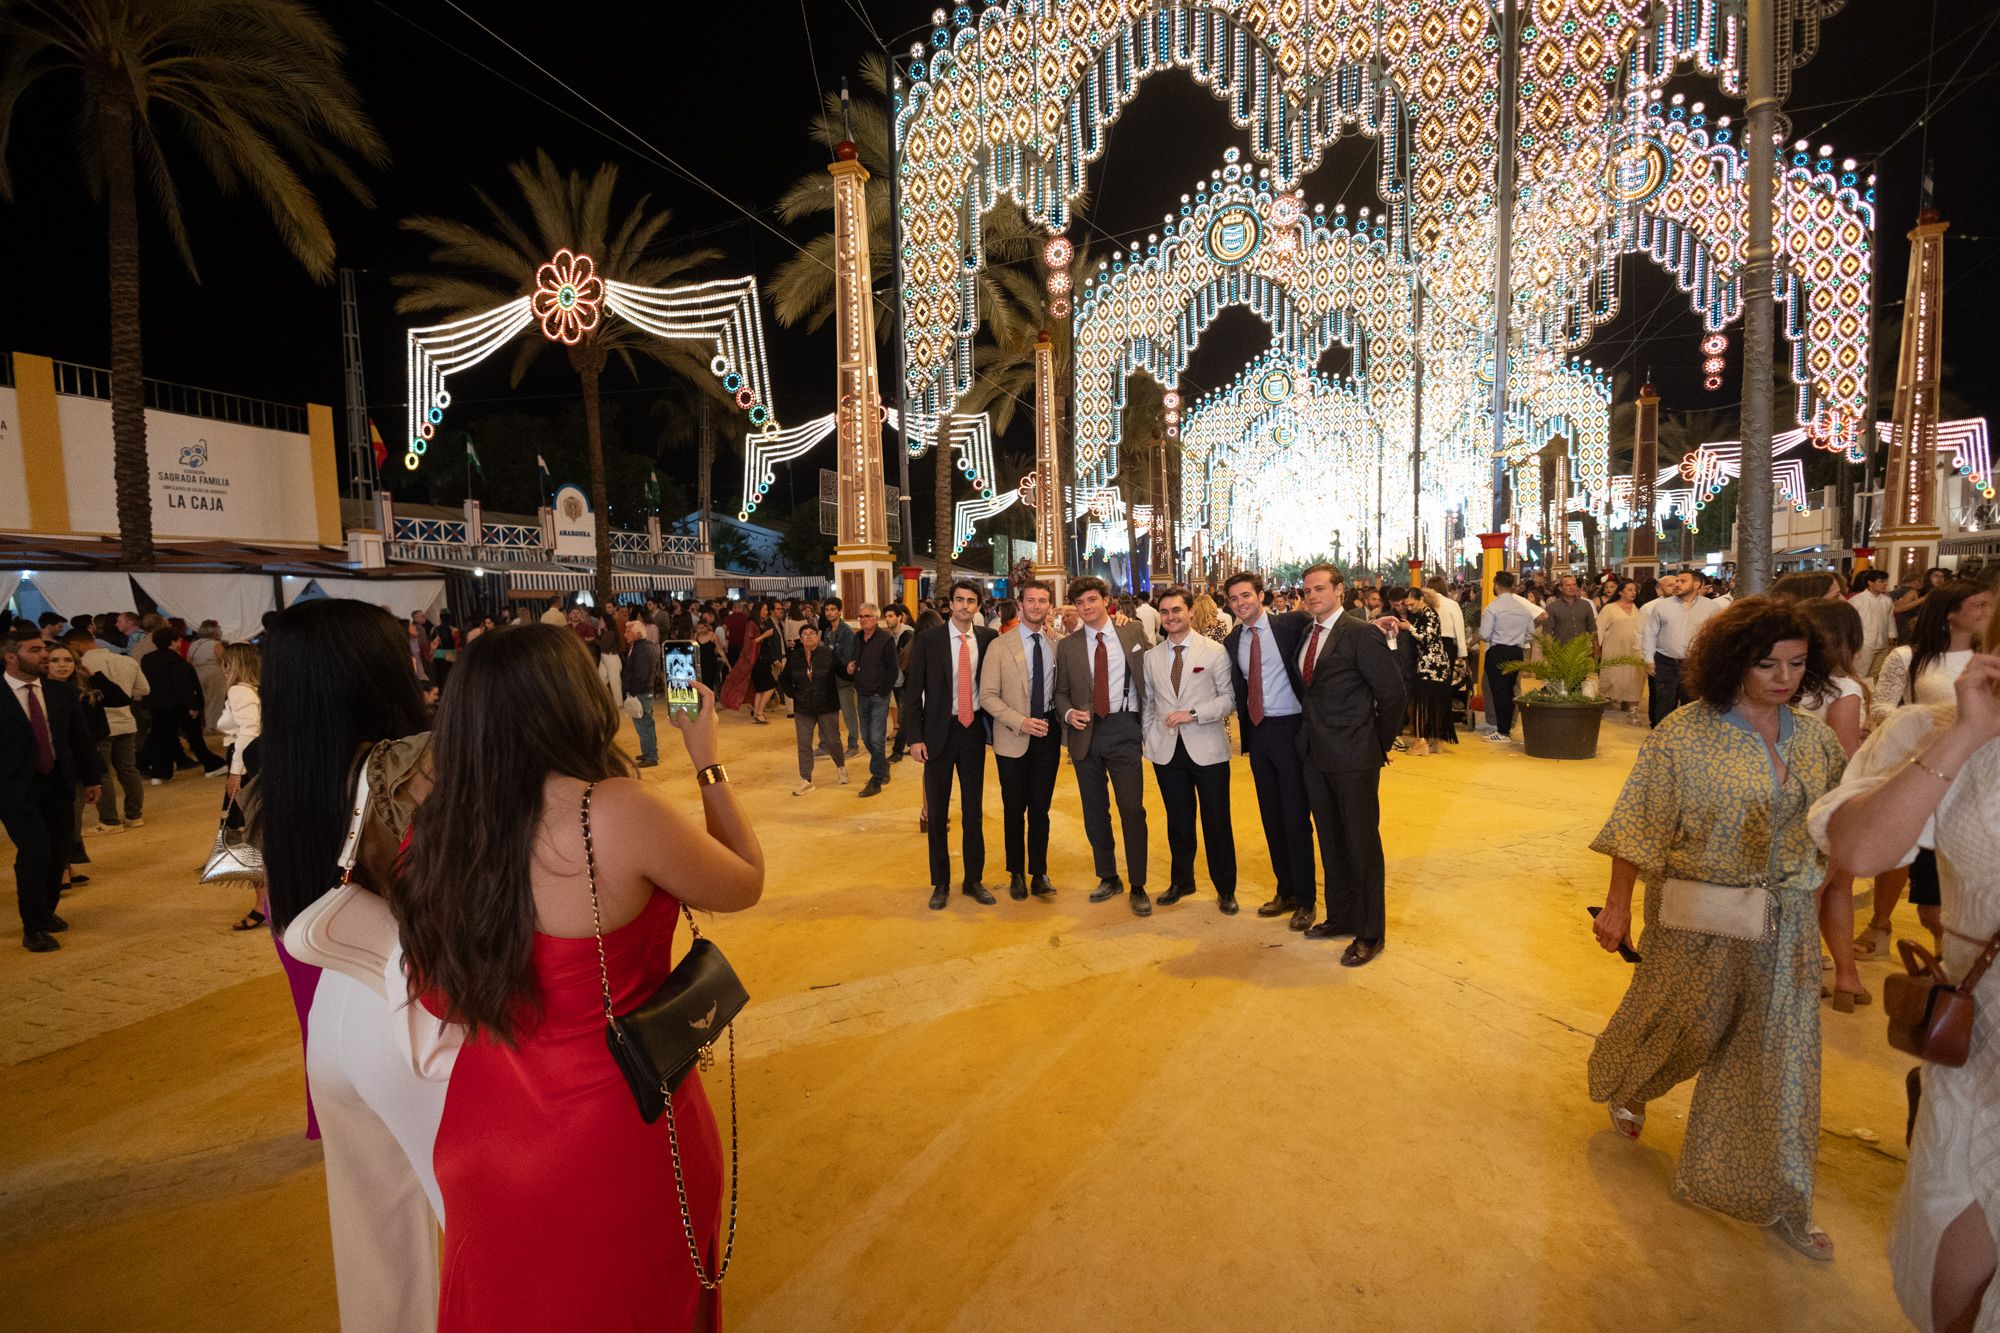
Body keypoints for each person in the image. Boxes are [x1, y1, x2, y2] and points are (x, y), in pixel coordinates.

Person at [394, 625, 759, 1332]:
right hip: (614, 1125)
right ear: (574, 700)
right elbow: (742, 880)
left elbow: (439, 994)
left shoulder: (437, 827)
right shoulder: (611, 811)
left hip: (484, 1126)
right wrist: (707, 761)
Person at [1587, 597, 1848, 1261]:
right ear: (1735, 662)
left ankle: (1783, 1197)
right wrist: (1616, 905)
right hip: (1697, 912)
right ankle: (1634, 1082)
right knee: (1687, 1023)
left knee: (1779, 1059)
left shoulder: (1817, 741)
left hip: (1786, 923)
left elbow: (1839, 832)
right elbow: (1638, 824)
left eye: (1796, 663)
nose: (1784, 676)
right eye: (1767, 663)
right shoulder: (1684, 734)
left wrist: (1839, 950)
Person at [252, 599, 450, 1332]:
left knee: (374, 1240)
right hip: (405, 1000)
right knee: (470, 1216)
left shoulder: (281, 772)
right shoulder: (407, 763)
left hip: (334, 1012)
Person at [1810, 609, 2000, 1331]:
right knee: (1948, 1294)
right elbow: (1856, 853)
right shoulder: (1936, 727)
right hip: (1980, 1060)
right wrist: (1968, 732)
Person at [1855, 580, 1994, 958]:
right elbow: (1882, 706)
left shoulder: (1989, 659)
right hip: (1927, 764)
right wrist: (1933, 721)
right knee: (1902, 847)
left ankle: (1950, 956)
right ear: (1951, 613)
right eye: (1978, 605)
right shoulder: (1909, 657)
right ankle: (1880, 923)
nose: (1986, 612)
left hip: (1978, 775)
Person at [1293, 564, 1405, 965]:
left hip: (1355, 756)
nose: (1312, 595)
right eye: (1307, 590)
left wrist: (1376, 744)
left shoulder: (1361, 634)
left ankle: (1370, 932)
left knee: (1361, 845)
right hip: (1314, 753)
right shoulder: (1308, 633)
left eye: (1320, 588)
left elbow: (1392, 694)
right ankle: (1340, 916)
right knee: (1331, 839)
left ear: (1340, 591)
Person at [1055, 576, 1153, 916]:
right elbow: (1060, 690)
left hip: (1124, 728)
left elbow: (1153, 668)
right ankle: (1108, 875)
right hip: (1086, 735)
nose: (1087, 608)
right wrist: (1067, 713)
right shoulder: (1068, 645)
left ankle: (1138, 884)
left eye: (1092, 600)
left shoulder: (1132, 631)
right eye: (1080, 603)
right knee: (1095, 811)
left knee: (1132, 809)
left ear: (1106, 600)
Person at [1223, 572, 1316, 925]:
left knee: (1295, 817)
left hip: (1291, 730)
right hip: (1258, 734)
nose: (1240, 603)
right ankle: (1286, 890)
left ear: (1261, 596)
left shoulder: (1292, 624)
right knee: (1271, 817)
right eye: (1233, 599)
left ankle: (1307, 899)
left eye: (1246, 595)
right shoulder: (1234, 642)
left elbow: (1329, 626)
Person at [3, 631, 104, 952]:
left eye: (44, 648)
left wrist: (92, 778)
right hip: (15, 788)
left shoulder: (59, 692)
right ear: (10, 657)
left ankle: (46, 911)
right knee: (35, 851)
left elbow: (79, 739)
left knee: (61, 849)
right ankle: (32, 926)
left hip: (57, 781)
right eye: (35, 650)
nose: (44, 655)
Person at [1142, 587, 1237, 912]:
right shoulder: (1151, 657)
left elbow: (1228, 698)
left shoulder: (1214, 652)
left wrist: (1194, 715)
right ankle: (1182, 881)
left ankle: (1226, 889)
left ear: (1190, 612)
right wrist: (1148, 736)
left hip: (1207, 747)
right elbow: (1149, 702)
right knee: (1178, 820)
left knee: (1216, 820)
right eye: (1165, 612)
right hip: (1167, 751)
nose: (1171, 617)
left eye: (1176, 611)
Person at [902, 582, 995, 909]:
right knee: (938, 812)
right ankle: (940, 882)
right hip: (937, 733)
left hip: (973, 733)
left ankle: (974, 880)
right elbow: (912, 693)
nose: (964, 606)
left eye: (971, 601)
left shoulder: (988, 639)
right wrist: (914, 738)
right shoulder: (929, 640)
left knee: (973, 812)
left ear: (978, 606)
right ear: (950, 604)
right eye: (959, 600)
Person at [978, 579, 1063, 900]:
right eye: (1031, 600)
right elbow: (987, 696)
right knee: (1014, 809)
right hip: (1013, 737)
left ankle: (1039, 871)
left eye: (1043, 600)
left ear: (1049, 606)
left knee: (1040, 809)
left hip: (1048, 737)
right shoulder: (1000, 646)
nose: (1037, 606)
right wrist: (1021, 721)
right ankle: (1016, 872)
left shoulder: (1057, 645)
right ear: (1020, 603)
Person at [64, 630, 144, 836]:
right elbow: (143, 690)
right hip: (126, 721)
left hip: (100, 728)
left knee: (103, 773)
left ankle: (110, 820)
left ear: (75, 644)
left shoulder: (79, 668)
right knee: (128, 769)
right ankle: (135, 815)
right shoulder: (126, 660)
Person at [216, 642, 267, 931]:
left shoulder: (239, 690)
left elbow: (247, 733)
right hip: (256, 763)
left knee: (247, 836)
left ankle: (262, 904)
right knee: (255, 834)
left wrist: (236, 772)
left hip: (247, 766)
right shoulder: (258, 689)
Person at [1639, 569, 1723, 729]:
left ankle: (1687, 738)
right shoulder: (1662, 606)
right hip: (1665, 662)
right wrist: (1648, 659)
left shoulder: (1711, 608)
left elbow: (1716, 636)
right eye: (1676, 581)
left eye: (1682, 581)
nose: (1677, 584)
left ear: (1696, 584)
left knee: (1691, 704)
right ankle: (1661, 737)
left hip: (1694, 664)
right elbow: (1650, 633)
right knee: (1664, 703)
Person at [138, 625, 224, 780]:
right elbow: (183, 685)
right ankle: (211, 765)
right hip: (178, 705)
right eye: (178, 640)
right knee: (194, 737)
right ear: (173, 642)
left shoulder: (147, 659)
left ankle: (160, 773)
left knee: (163, 739)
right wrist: (194, 705)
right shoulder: (176, 661)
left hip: (156, 705)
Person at [781, 623, 846, 794]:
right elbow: (784, 680)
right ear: (800, 639)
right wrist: (795, 695)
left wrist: (851, 670)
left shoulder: (829, 654)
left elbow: (843, 673)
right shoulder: (794, 658)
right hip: (803, 707)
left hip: (827, 704)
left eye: (812, 633)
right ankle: (806, 779)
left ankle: (841, 767)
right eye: (804, 634)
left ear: (817, 637)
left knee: (833, 740)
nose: (808, 636)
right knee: (803, 743)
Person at [1479, 571, 1539, 741]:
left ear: (1496, 585)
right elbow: (1530, 634)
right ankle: (1506, 727)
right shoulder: (1523, 609)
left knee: (1498, 692)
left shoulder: (1493, 608)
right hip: (1516, 652)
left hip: (1497, 651)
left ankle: (1502, 730)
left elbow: (1484, 634)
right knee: (1510, 690)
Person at [1397, 587, 1456, 755]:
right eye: (1407, 605)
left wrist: (1410, 628)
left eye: (1411, 604)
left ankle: (1421, 741)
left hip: (1430, 665)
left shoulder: (1428, 613)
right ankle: (1435, 741)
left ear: (1422, 599)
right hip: (1437, 664)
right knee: (1433, 703)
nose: (1409, 608)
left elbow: (1427, 638)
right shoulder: (1425, 614)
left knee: (1423, 703)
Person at [850, 603, 899, 797]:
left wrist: (882, 691)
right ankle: (883, 765)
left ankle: (876, 780)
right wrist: (851, 668)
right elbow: (855, 660)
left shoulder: (885, 639)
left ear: (876, 619)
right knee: (867, 738)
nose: (863, 620)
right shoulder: (857, 638)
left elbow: (893, 669)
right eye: (861, 616)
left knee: (877, 739)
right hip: (861, 693)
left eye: (867, 616)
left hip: (879, 696)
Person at [1597, 579, 1646, 722]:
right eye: (1629, 589)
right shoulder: (1609, 608)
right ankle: (1603, 703)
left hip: (1636, 650)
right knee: (1612, 677)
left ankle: (1633, 711)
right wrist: (1596, 649)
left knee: (1635, 678)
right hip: (1614, 649)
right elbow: (1599, 628)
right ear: (1620, 592)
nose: (1633, 592)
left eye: (1635, 590)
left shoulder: (1641, 609)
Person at [821, 598, 861, 759]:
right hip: (830, 680)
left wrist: (832, 663)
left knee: (848, 713)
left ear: (839, 611)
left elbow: (848, 658)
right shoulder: (827, 631)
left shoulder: (847, 632)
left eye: (832, 609)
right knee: (828, 715)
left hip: (844, 680)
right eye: (826, 610)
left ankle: (853, 745)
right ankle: (826, 746)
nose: (829, 612)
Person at [622, 619, 661, 768]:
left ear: (638, 633)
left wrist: (632, 692)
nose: (625, 635)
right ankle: (648, 752)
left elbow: (641, 675)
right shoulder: (643, 646)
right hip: (642, 692)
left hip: (641, 693)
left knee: (644, 725)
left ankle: (651, 755)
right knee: (644, 725)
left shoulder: (642, 649)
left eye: (628, 632)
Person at [1849, 567, 1897, 677]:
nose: (1885, 584)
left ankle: (1872, 695)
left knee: (1876, 675)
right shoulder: (1857, 600)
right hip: (1864, 644)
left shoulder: (1887, 600)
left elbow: (1890, 620)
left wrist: (1892, 639)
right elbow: (1850, 624)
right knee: (1860, 674)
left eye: (1886, 581)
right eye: (1881, 581)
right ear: (1870, 582)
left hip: (1882, 643)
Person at [1537, 574, 1599, 652]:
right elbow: (1547, 633)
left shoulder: (1586, 605)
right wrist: (1550, 654)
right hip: (1561, 654)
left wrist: (1596, 649)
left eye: (1574, 584)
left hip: (1582, 652)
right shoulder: (1552, 607)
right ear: (1560, 588)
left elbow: (1592, 629)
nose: (1572, 588)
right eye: (1568, 585)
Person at [188, 620, 227, 727]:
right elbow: (223, 659)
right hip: (214, 672)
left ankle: (205, 725)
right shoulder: (216, 644)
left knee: (203, 699)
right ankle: (213, 725)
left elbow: (189, 661)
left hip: (197, 673)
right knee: (215, 700)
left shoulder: (193, 644)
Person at [747, 602, 780, 725]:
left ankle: (757, 714)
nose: (767, 612)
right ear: (758, 610)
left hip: (763, 660)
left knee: (760, 690)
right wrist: (765, 635)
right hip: (758, 661)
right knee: (770, 686)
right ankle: (760, 713)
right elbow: (750, 643)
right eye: (765, 609)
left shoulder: (760, 623)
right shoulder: (751, 624)